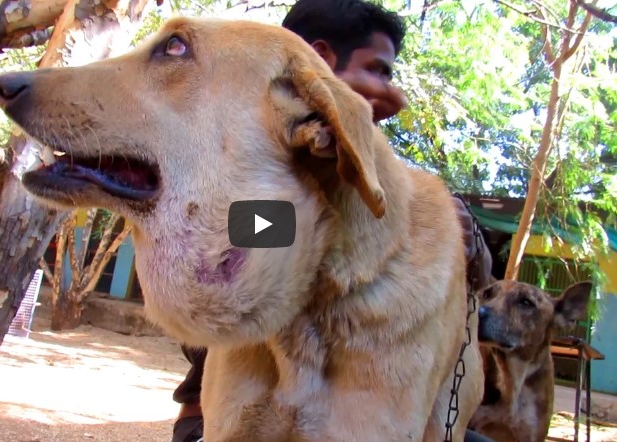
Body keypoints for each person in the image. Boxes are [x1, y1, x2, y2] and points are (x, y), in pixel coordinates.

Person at [171, 1, 494, 441]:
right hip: (208, 420)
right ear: (319, 60)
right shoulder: (229, 165)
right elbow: (247, 241)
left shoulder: (385, 186)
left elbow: (479, 278)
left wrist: (456, 232)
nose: (390, 92)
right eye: (378, 70)